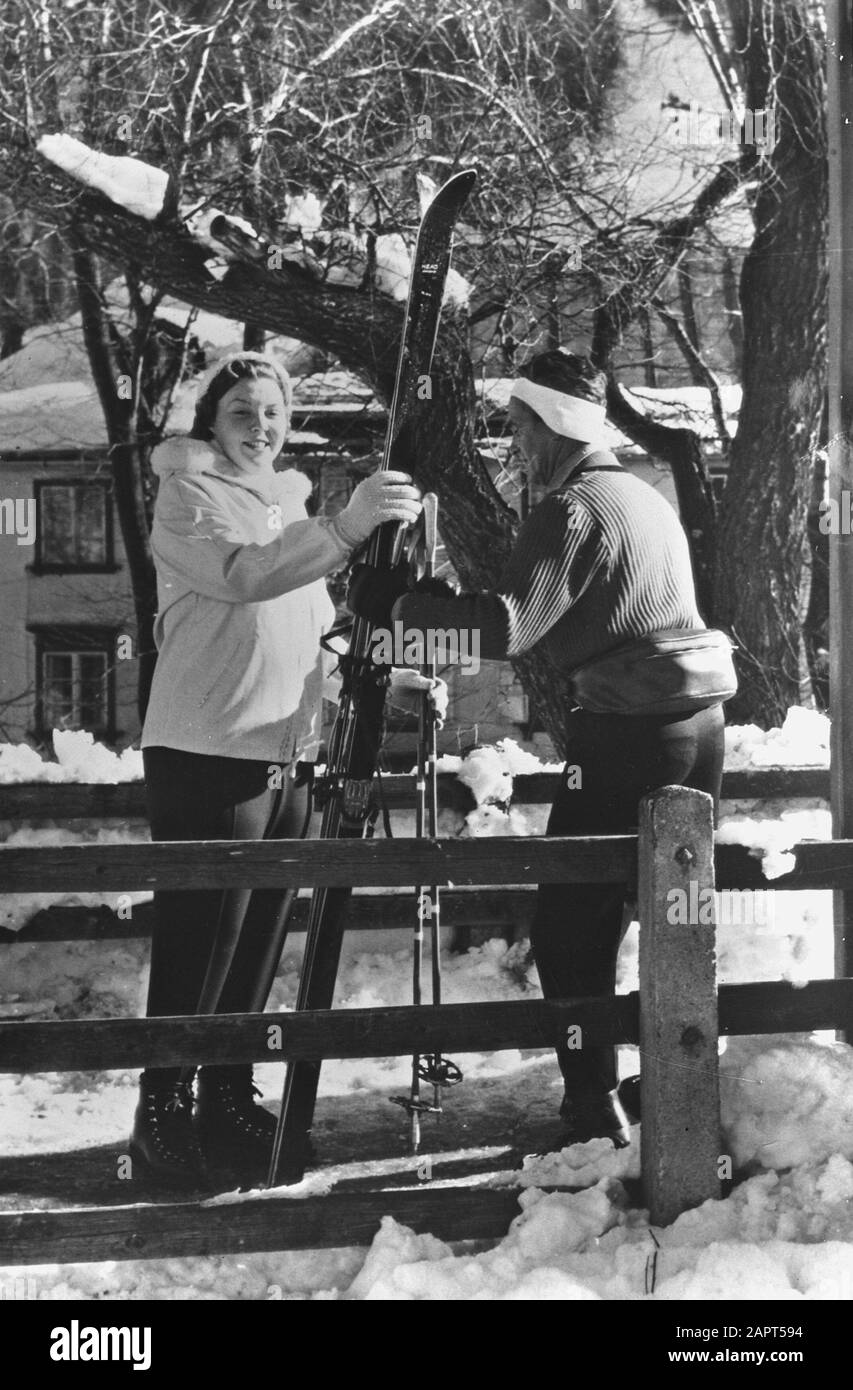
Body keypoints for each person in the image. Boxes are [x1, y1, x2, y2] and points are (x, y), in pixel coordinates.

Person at [347, 349, 737, 1148]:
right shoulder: (639, 493)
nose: (514, 443)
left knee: (568, 924)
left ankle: (592, 1106)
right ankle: (673, 1073)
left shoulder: (571, 507)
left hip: (630, 729)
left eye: (520, 426)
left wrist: (401, 612)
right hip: (697, 728)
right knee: (662, 908)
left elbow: (510, 626)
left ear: (553, 425)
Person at [132, 350, 433, 1187]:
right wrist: (344, 529)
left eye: (271, 412)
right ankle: (161, 1111)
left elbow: (305, 642)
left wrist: (391, 682)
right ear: (209, 424)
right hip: (209, 749)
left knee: (259, 940)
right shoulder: (188, 496)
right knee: (203, 942)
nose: (259, 428)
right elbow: (243, 578)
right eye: (240, 413)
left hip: (288, 752)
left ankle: (227, 1092)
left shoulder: (286, 508)